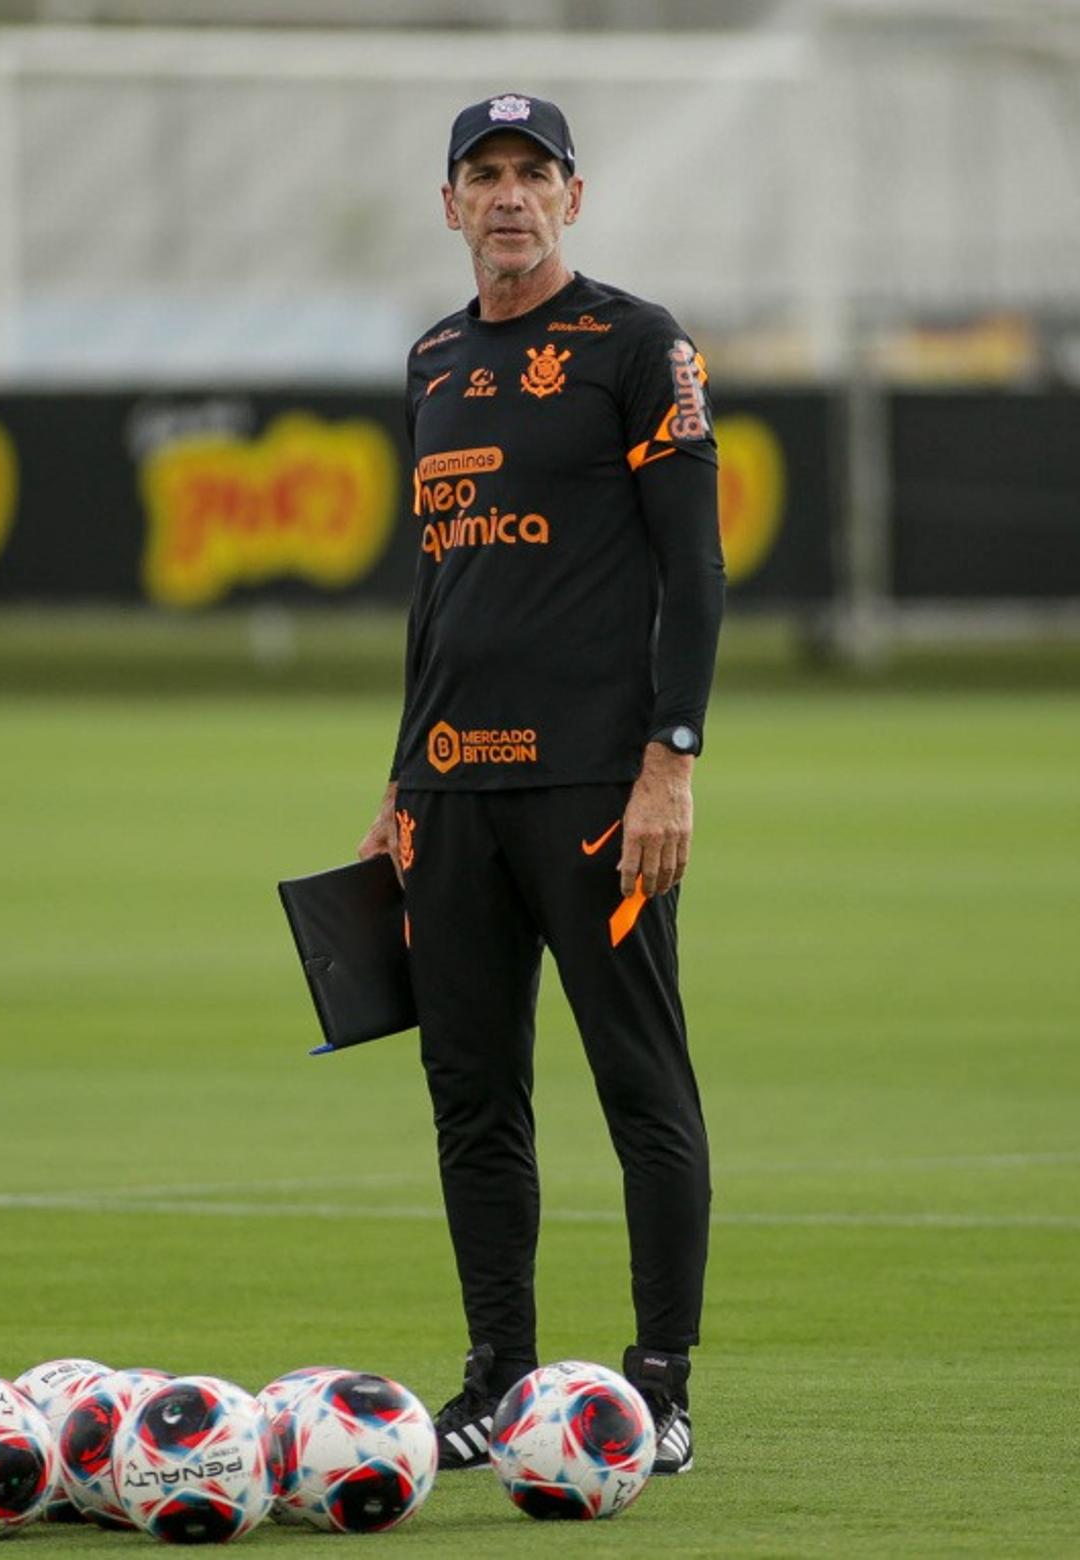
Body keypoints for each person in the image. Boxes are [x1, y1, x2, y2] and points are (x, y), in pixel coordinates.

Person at [359, 93, 725, 1478]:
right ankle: (497, 1378)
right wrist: (399, 777)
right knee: (473, 1097)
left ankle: (660, 1388)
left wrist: (668, 760)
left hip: (593, 791)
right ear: (448, 203)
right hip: (451, 799)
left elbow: (696, 569)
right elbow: (440, 589)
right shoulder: (434, 357)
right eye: (483, 175)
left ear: (576, 195)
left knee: (641, 1086)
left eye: (533, 175)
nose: (508, 198)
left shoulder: (639, 347)